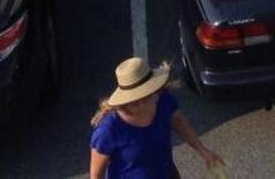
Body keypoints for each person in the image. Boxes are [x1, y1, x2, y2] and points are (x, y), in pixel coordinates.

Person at [89, 58, 222, 179]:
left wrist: (203, 151)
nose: (157, 94)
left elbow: (178, 121)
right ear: (138, 101)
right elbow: (96, 175)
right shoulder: (109, 129)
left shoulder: (162, 99)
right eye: (150, 92)